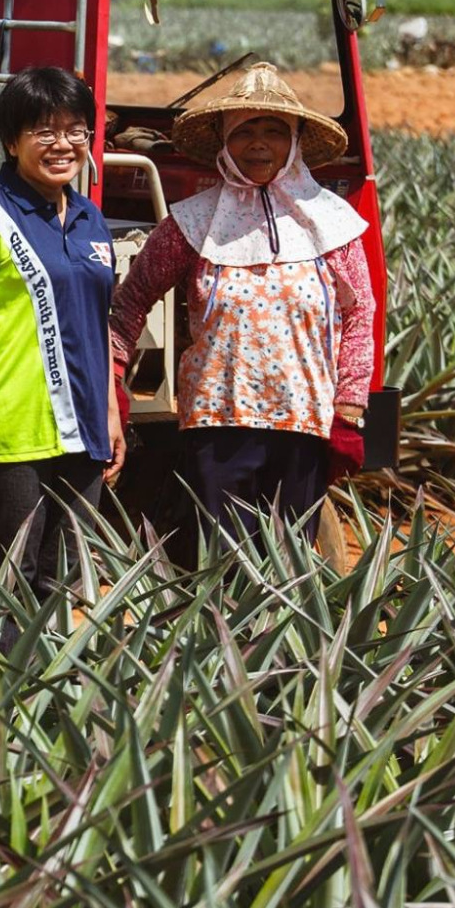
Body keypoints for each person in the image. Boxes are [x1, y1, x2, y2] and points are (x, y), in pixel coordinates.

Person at [109, 62, 375, 546]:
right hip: (217, 424)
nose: (259, 143)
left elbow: (360, 315)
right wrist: (113, 377)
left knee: (292, 561)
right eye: (244, 131)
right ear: (224, 143)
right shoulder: (192, 221)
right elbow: (130, 302)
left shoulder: (334, 224)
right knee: (221, 562)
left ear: (294, 142)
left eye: (274, 131)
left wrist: (351, 407)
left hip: (305, 422)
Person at [0, 67, 125, 598]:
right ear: (11, 140)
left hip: (84, 430)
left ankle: (59, 681)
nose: (62, 144)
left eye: (75, 130)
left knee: (68, 579)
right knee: (11, 584)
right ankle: (7, 681)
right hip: (13, 435)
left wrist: (110, 415)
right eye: (44, 131)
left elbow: (98, 321)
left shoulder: (90, 219)